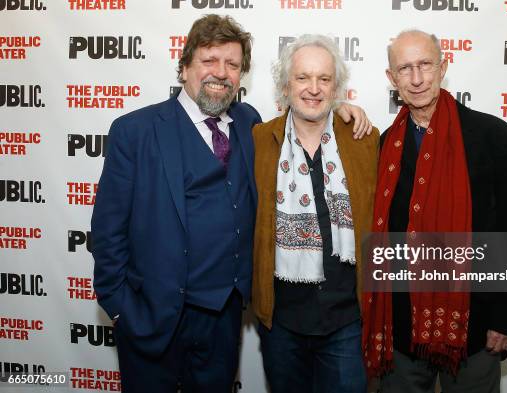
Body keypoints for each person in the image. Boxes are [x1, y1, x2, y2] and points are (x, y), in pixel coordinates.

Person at [91, 15, 370, 393]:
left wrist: (340, 110)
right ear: (185, 65)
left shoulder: (248, 124)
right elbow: (108, 232)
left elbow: (309, 115)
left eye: (233, 65)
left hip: (222, 320)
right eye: (209, 60)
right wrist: (123, 309)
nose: (220, 73)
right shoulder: (135, 131)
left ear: (242, 75)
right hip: (152, 317)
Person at [362, 29, 507, 393]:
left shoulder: (495, 136)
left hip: (475, 324)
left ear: (443, 67)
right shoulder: (386, 143)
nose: (417, 78)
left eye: (425, 65)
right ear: (392, 79)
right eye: (405, 69)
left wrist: (506, 318)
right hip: (401, 326)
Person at [251, 34, 379, 393]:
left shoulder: (364, 141)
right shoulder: (259, 139)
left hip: (347, 320)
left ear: (336, 87)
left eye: (324, 79)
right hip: (281, 322)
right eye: (303, 77)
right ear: (285, 85)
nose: (313, 88)